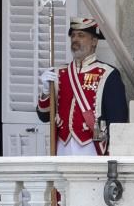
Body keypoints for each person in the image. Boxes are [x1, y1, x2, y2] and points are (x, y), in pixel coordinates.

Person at [38, 16, 128, 156]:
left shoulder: (108, 74)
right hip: (62, 146)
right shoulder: (59, 73)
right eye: (73, 35)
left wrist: (112, 153)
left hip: (93, 147)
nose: (75, 39)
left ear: (94, 41)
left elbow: (118, 119)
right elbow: (44, 116)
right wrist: (45, 92)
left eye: (81, 35)